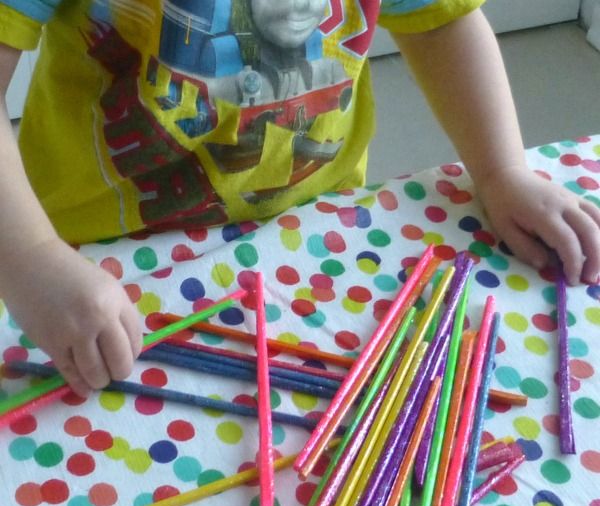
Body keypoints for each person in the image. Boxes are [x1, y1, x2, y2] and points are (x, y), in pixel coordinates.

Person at [0, 0, 598, 399]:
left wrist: (500, 170)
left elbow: (440, 22)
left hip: (310, 245)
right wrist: (27, 255)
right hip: (93, 268)